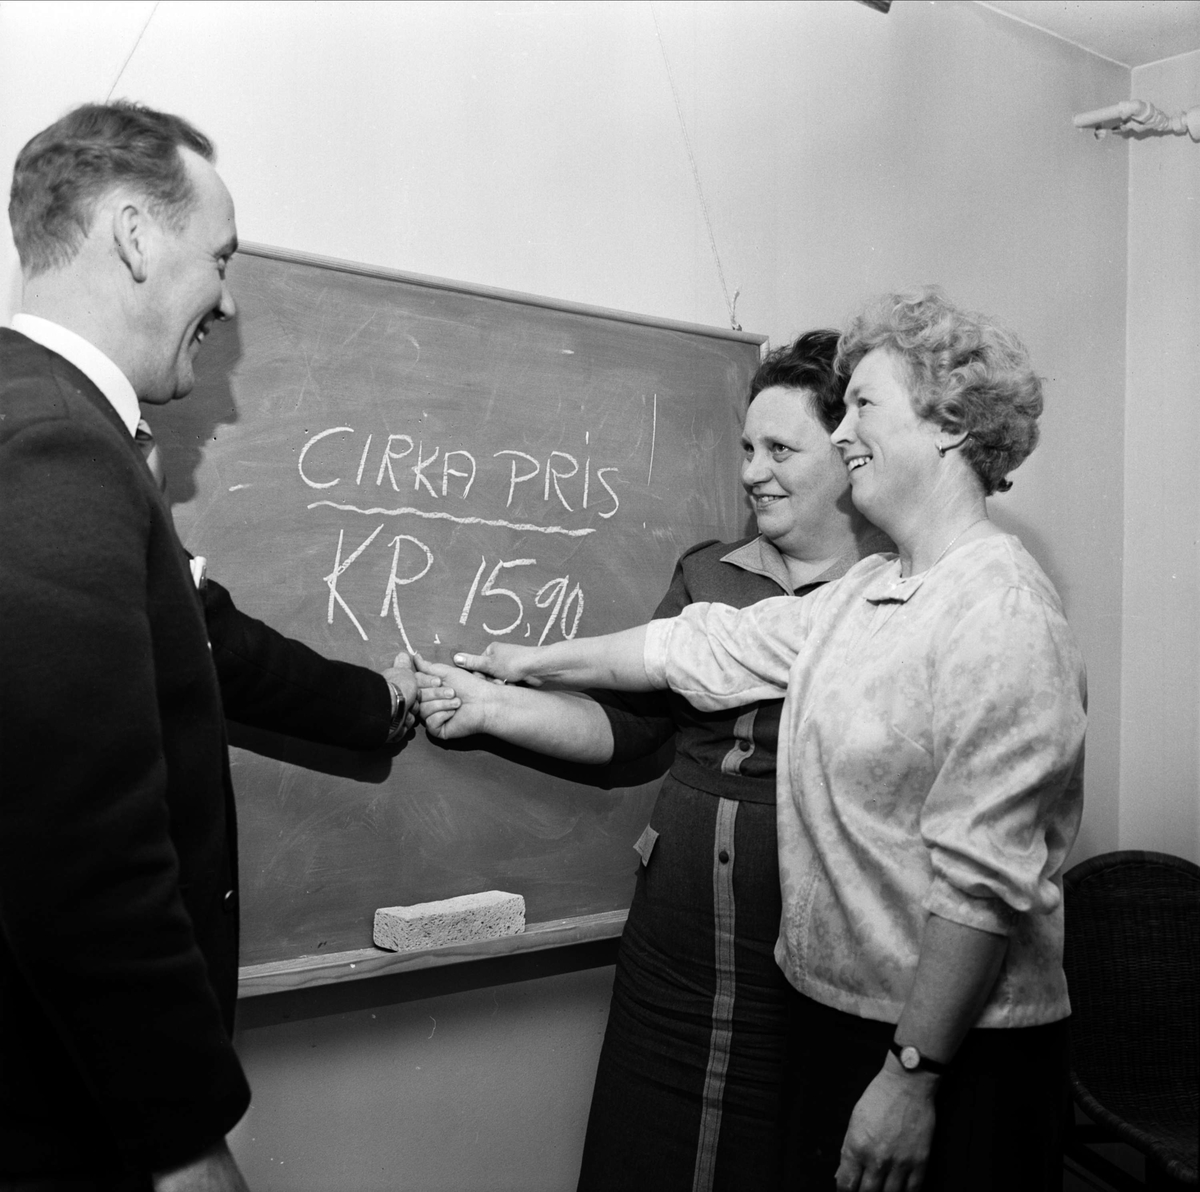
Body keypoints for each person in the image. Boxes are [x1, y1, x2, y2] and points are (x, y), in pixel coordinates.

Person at [421, 288, 1086, 1192]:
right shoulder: (873, 592)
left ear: (950, 427)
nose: (845, 430)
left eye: (863, 406)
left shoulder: (1001, 610)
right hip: (850, 1023)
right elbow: (699, 644)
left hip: (950, 1050)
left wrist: (911, 1075)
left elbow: (980, 883)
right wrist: (522, 662)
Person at [0, 103, 426, 1192]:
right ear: (138, 237)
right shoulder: (52, 442)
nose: (228, 301)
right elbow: (81, 852)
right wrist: (185, 1145)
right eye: (221, 259)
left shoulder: (49, 421)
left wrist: (381, 700)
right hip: (58, 1110)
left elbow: (200, 633)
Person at [417, 331, 889, 1190]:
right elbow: (634, 733)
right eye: (747, 448)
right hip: (674, 942)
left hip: (806, 950)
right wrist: (490, 708)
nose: (753, 472)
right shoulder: (709, 573)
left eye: (781, 449)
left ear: (850, 455)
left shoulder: (893, 595)